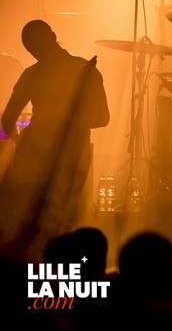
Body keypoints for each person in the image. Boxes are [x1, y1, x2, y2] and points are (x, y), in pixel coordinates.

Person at [0, 19, 109, 257]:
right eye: (32, 48)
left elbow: (7, 121)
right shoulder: (84, 69)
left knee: (37, 222)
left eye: (36, 47)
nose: (36, 52)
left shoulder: (34, 75)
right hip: (69, 159)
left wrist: (23, 142)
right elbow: (102, 118)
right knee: (66, 221)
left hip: (54, 160)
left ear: (51, 37)